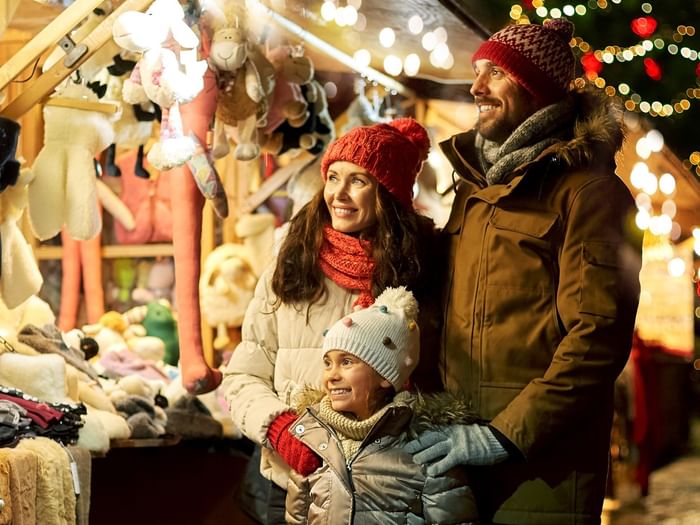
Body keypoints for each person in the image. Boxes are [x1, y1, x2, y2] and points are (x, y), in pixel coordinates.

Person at [405, 18, 643, 525]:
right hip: (455, 459)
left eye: (495, 73)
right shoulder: (473, 190)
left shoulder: (591, 194)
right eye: (477, 71)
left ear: (535, 87)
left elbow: (597, 338)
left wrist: (504, 436)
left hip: (542, 471)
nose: (476, 87)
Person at [222, 118, 436, 524]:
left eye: (359, 181)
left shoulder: (418, 271)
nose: (338, 193)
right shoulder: (291, 261)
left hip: (379, 490)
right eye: (333, 176)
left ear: (387, 193)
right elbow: (242, 376)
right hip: (289, 483)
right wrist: (281, 429)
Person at [284, 286, 479, 524]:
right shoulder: (313, 441)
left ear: (385, 375)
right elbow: (297, 517)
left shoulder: (425, 449)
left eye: (346, 362)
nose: (331, 375)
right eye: (327, 363)